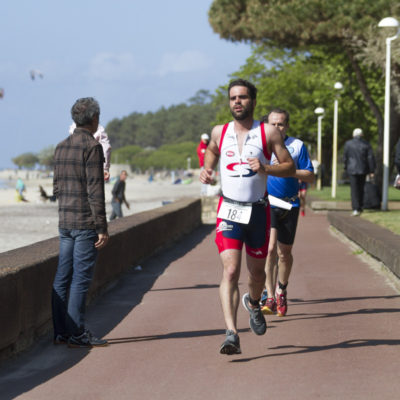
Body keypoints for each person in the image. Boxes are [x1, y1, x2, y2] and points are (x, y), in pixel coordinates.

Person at [199, 79, 295, 355]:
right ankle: (231, 333)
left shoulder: (268, 133)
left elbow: (289, 167)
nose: (237, 102)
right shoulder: (220, 131)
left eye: (242, 97)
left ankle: (253, 302)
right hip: (228, 209)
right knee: (230, 270)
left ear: (253, 101)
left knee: (255, 274)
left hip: (258, 212)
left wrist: (266, 167)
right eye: (232, 98)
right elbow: (212, 151)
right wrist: (207, 169)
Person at [52, 97, 109, 348]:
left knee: (62, 277)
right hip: (85, 223)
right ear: (94, 119)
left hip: (65, 221)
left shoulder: (61, 146)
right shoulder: (92, 147)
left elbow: (56, 187)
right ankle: (77, 333)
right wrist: (102, 227)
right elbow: (95, 191)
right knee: (80, 280)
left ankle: (60, 332)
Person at [259, 109, 314, 317]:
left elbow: (309, 176)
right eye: (273, 124)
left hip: (290, 205)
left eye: (281, 124)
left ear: (287, 126)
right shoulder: (262, 146)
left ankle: (281, 288)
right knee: (270, 248)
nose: (277, 128)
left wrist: (287, 170)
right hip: (268, 203)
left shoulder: (297, 146)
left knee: (285, 253)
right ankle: (270, 295)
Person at [343, 128, 376, 216]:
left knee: (354, 189)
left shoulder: (348, 144)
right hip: (363, 169)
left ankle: (355, 208)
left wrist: (345, 168)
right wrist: (372, 170)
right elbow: (370, 158)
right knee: (361, 188)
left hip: (352, 169)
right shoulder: (366, 144)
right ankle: (360, 206)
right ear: (362, 135)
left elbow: (345, 157)